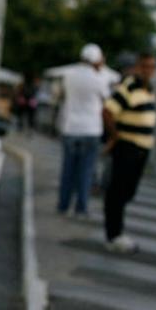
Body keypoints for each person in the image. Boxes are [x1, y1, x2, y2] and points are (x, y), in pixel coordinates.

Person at [102, 52, 156, 254]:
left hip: (142, 148)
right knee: (118, 191)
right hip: (128, 146)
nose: (148, 71)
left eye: (151, 67)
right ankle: (114, 234)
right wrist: (115, 136)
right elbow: (107, 111)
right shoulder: (129, 87)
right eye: (144, 66)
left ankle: (116, 230)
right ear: (137, 67)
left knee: (128, 191)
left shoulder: (149, 89)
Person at [57, 44, 110, 217]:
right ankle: (81, 206)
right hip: (91, 129)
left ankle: (63, 205)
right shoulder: (100, 79)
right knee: (86, 171)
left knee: (68, 170)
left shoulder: (68, 75)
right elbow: (106, 102)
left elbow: (63, 96)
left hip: (70, 127)